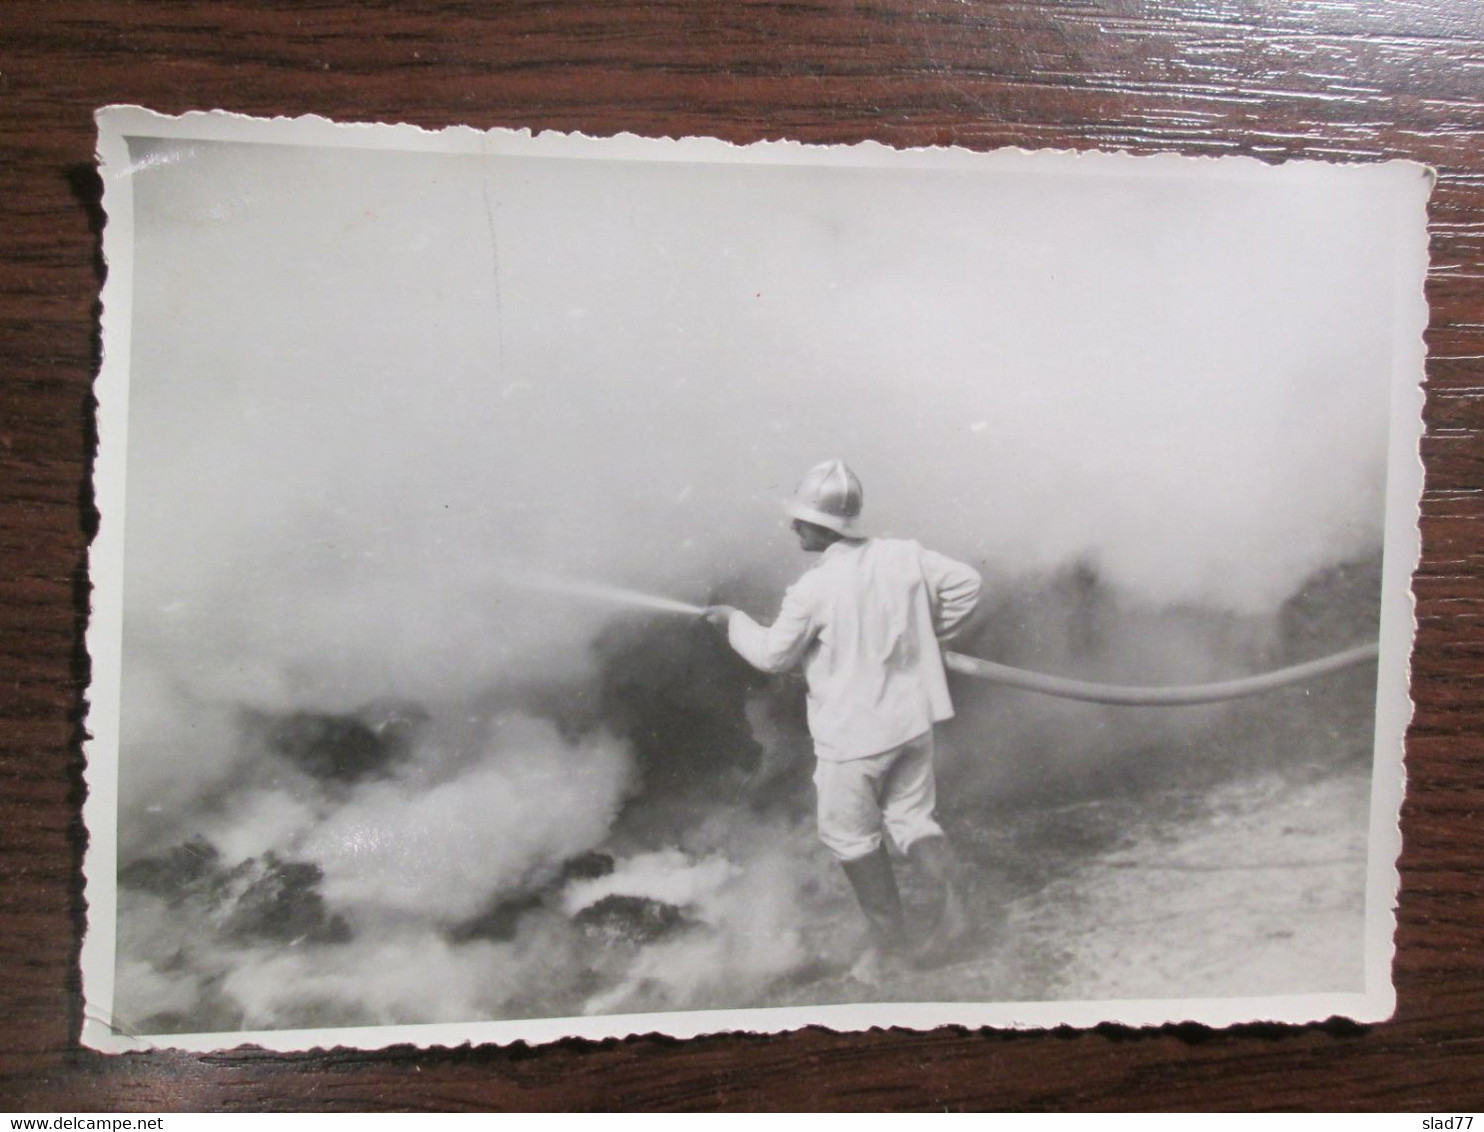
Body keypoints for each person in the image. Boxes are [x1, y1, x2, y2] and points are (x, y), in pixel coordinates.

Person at [703, 459, 982, 982]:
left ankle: (891, 953)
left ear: (821, 525)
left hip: (854, 741)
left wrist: (733, 621)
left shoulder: (813, 589)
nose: (794, 527)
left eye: (800, 520)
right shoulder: (904, 556)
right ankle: (957, 914)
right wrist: (930, 636)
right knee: (912, 820)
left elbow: (772, 657)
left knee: (852, 841)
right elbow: (967, 583)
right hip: (911, 724)